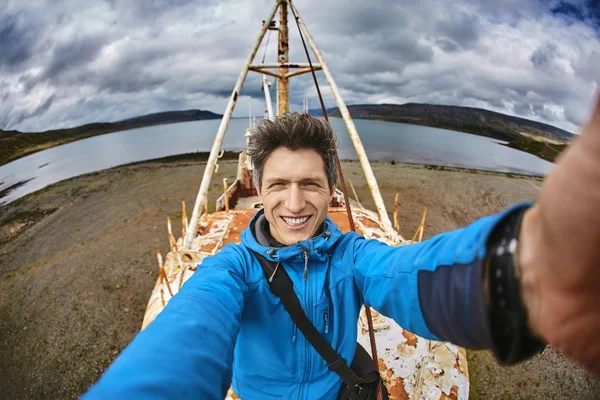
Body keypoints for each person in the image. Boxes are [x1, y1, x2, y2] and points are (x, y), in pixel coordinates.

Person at [84, 99, 600, 399]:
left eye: (310, 184)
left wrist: (526, 272)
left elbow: (408, 276)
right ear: (256, 189)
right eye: (278, 185)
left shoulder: (351, 255)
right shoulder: (234, 267)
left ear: (332, 190)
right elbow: (189, 330)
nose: (293, 204)